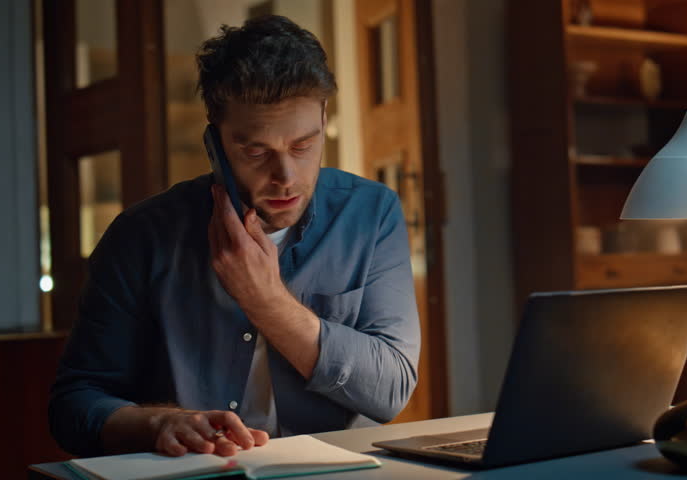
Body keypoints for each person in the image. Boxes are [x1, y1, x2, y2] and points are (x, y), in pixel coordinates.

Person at [49, 15, 420, 459]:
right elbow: (74, 404)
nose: (285, 178)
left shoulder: (371, 215)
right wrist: (158, 423)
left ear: (323, 119)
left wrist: (266, 301)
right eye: (256, 150)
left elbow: (391, 390)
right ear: (215, 142)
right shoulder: (141, 235)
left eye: (304, 145)